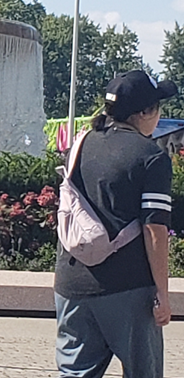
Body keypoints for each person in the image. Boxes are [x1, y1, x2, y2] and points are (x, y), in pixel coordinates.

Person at [55, 69, 177, 378]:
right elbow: (155, 229)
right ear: (145, 113)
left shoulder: (79, 146)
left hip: (71, 283)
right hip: (128, 289)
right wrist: (162, 292)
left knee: (75, 373)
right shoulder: (151, 157)